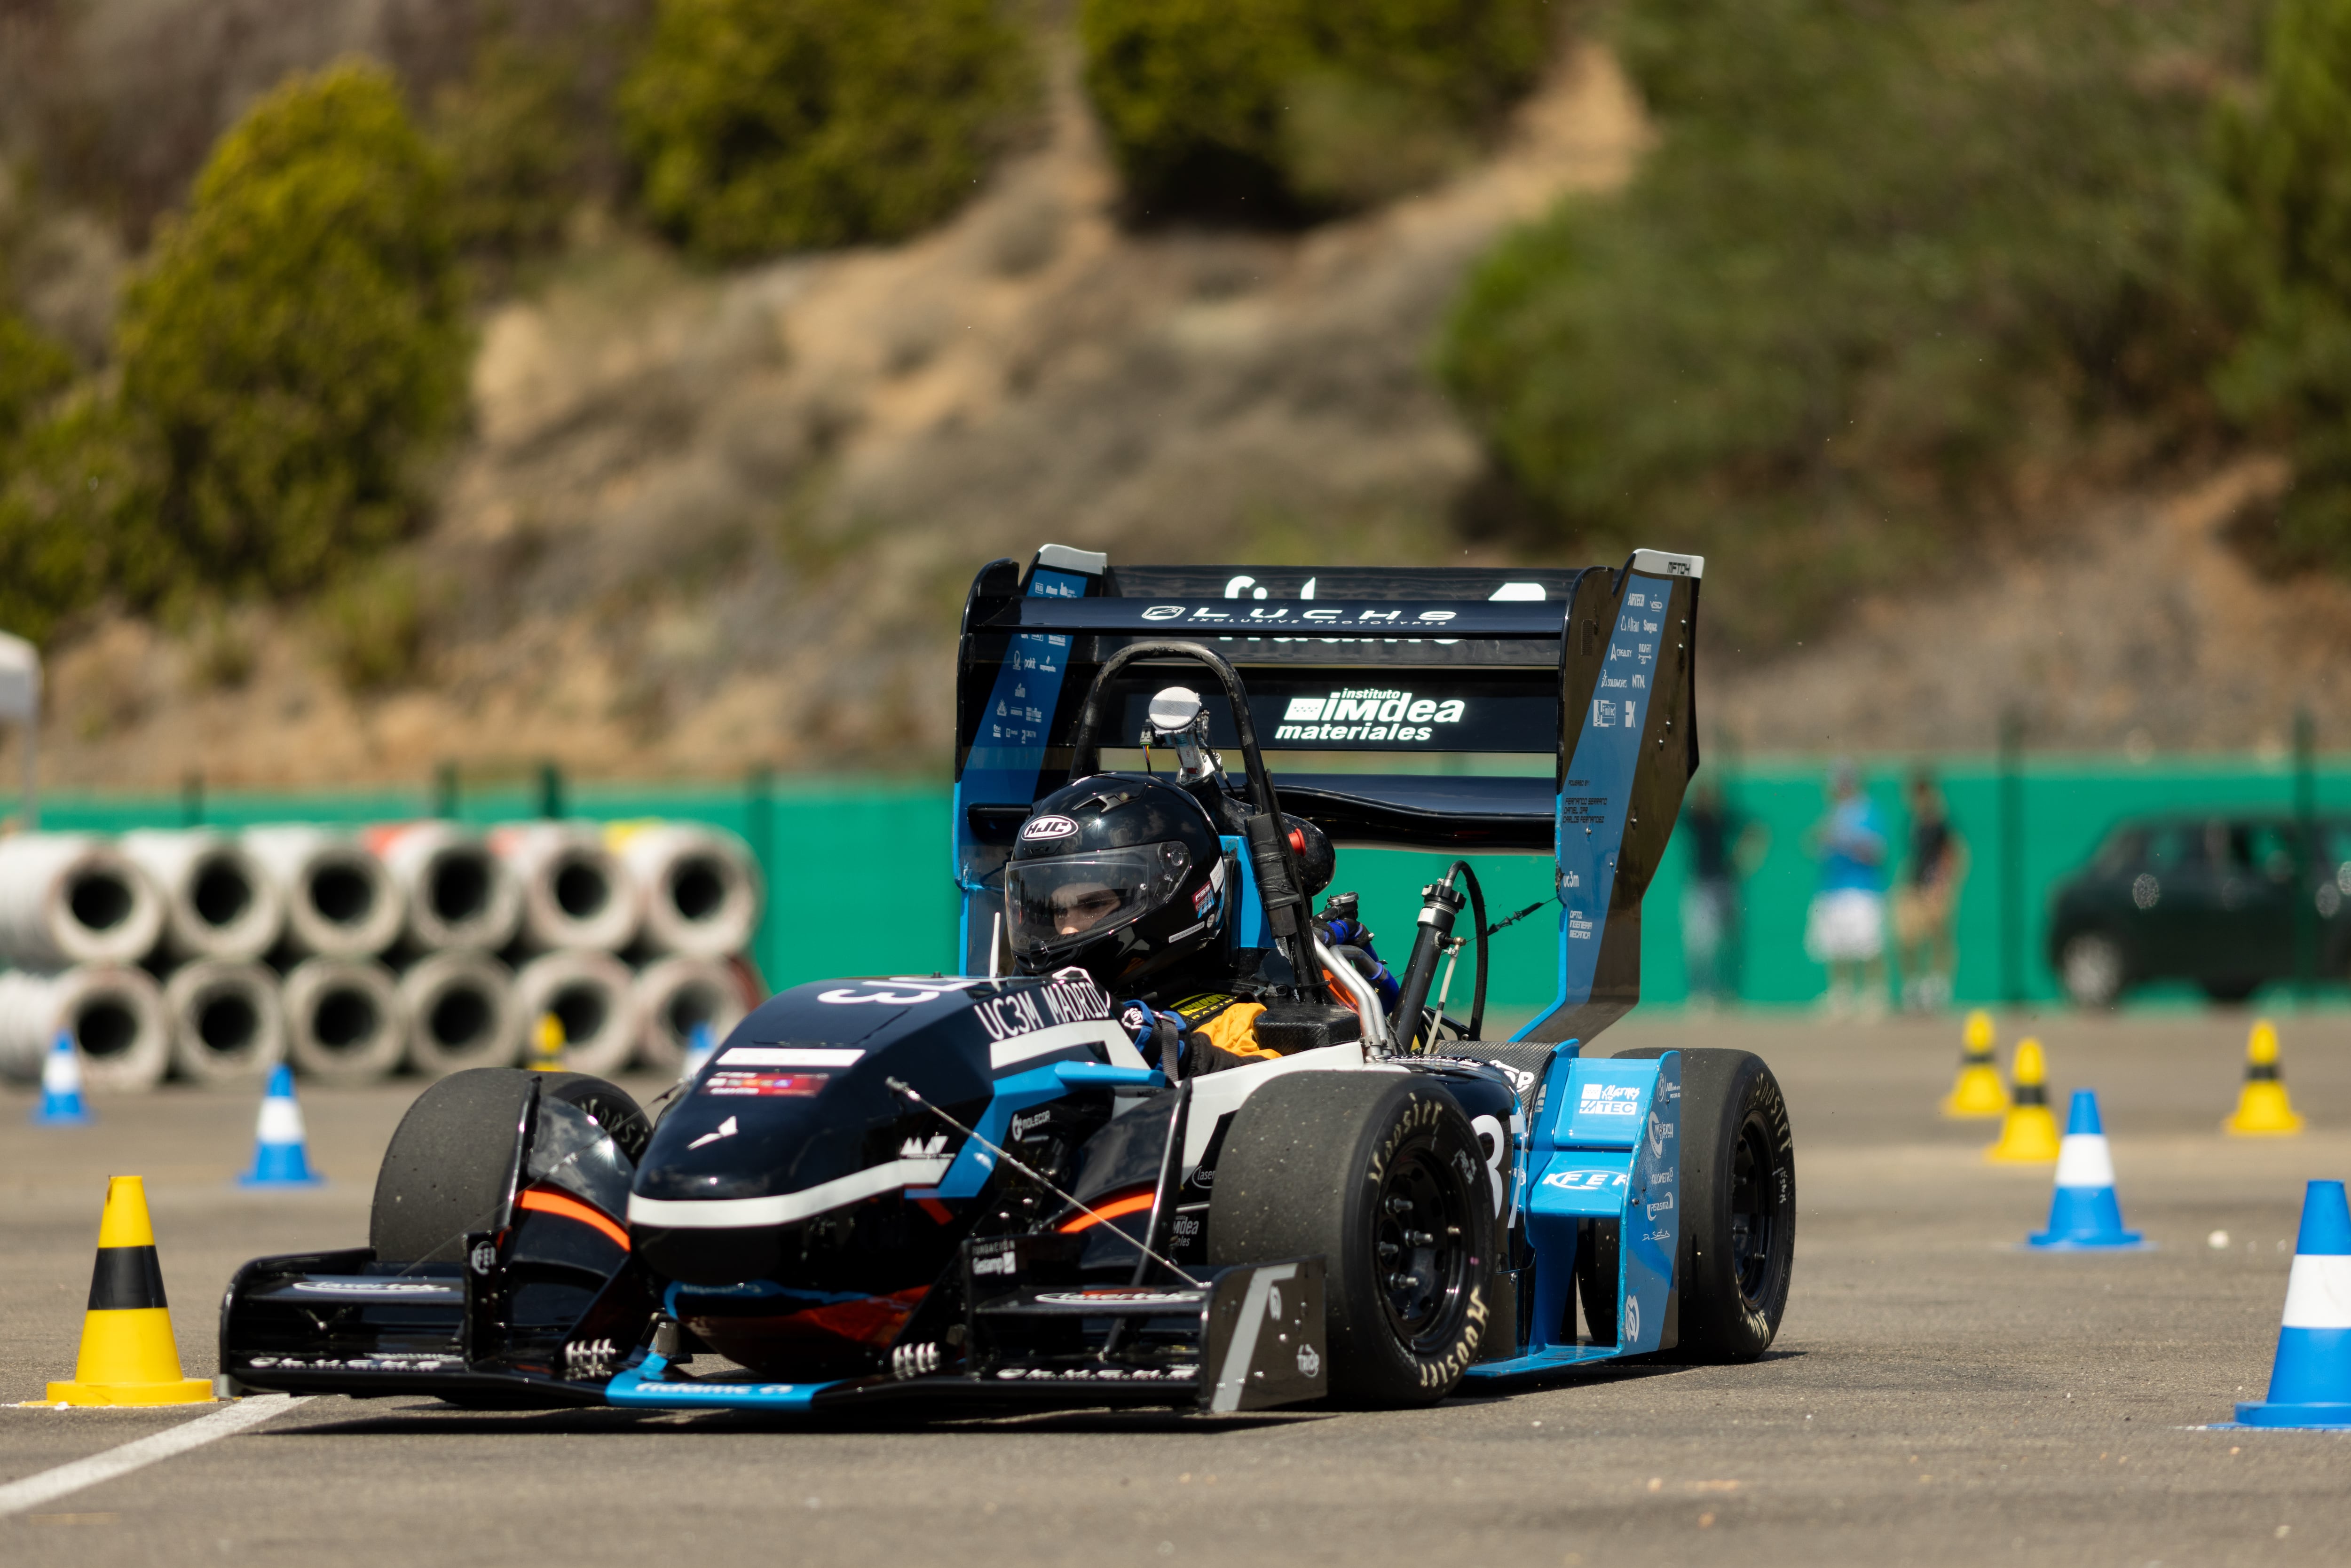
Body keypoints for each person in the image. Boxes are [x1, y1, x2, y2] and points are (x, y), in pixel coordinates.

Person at [1004, 772, 1385, 1073]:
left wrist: (1165, 1049)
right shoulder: (1038, 1014)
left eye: (1093, 904)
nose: (1068, 929)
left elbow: (1283, 1101)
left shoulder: (1238, 1024)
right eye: (1056, 910)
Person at [1804, 760, 1888, 1019]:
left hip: (1862, 890)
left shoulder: (1869, 812)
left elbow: (1877, 851)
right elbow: (1814, 845)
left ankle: (1875, 997)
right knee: (1836, 947)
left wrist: (1848, 841)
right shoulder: (1833, 813)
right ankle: (1842, 997)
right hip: (1833, 889)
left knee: (1868, 947)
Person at [1679, 777, 1768, 1008]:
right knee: (1700, 945)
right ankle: (1702, 993)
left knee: (1727, 942)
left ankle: (1726, 992)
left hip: (1724, 885)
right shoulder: (1693, 818)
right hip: (1700, 887)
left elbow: (1757, 829)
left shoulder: (1723, 817)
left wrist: (1742, 861)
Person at [1893, 767, 1968, 1013]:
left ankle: (1938, 988)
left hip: (1935, 889)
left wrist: (1942, 887)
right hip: (1915, 888)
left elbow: (1955, 854)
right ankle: (1914, 988)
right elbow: (1914, 857)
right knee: (1908, 938)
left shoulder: (1941, 821)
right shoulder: (1913, 822)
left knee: (1939, 939)